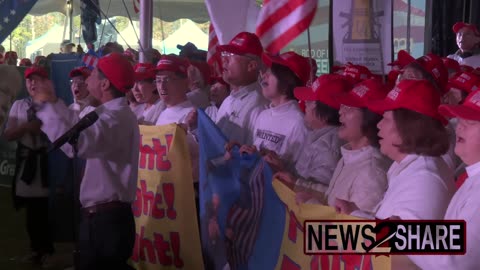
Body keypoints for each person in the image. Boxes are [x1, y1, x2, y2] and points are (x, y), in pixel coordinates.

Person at [34, 52, 139, 270]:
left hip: (107, 220)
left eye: (92, 73)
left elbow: (79, 142)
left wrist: (47, 103)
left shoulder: (116, 117)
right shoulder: (107, 114)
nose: (87, 78)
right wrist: (50, 103)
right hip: (102, 218)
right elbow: (74, 132)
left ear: (104, 83)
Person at [336, 79, 455, 221]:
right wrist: (354, 213)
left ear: (408, 127)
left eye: (385, 119)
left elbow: (401, 241)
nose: (378, 125)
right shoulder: (407, 166)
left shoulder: (424, 180)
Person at [406, 90, 480, 269]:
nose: (459, 127)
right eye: (460, 120)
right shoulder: (473, 176)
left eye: (470, 121)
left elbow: (454, 259)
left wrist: (402, 234)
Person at [3, 66, 54, 267]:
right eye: (29, 80)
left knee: (46, 210)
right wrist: (26, 127)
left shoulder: (53, 106)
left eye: (37, 79)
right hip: (27, 162)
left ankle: (48, 250)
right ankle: (36, 249)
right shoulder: (19, 105)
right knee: (31, 210)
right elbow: (8, 134)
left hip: (47, 162)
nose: (33, 84)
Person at [320, 79, 391, 213]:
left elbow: (354, 230)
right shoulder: (350, 155)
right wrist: (296, 185)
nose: (340, 111)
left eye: (349, 107)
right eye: (342, 106)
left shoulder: (371, 173)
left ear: (369, 119)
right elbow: (331, 199)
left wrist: (308, 203)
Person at [274, 74, 351, 193]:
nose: (305, 104)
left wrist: (290, 180)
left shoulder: (329, 146)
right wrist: (279, 166)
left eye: (310, 102)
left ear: (325, 112)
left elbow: (317, 191)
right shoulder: (318, 135)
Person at [239, 51, 309, 171]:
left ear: (287, 82)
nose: (264, 75)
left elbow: (296, 172)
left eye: (271, 73)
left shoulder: (298, 122)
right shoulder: (263, 115)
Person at [211, 32, 269, 145]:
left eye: (231, 55)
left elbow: (252, 157)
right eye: (225, 54)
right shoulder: (229, 100)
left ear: (251, 66)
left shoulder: (259, 105)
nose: (224, 60)